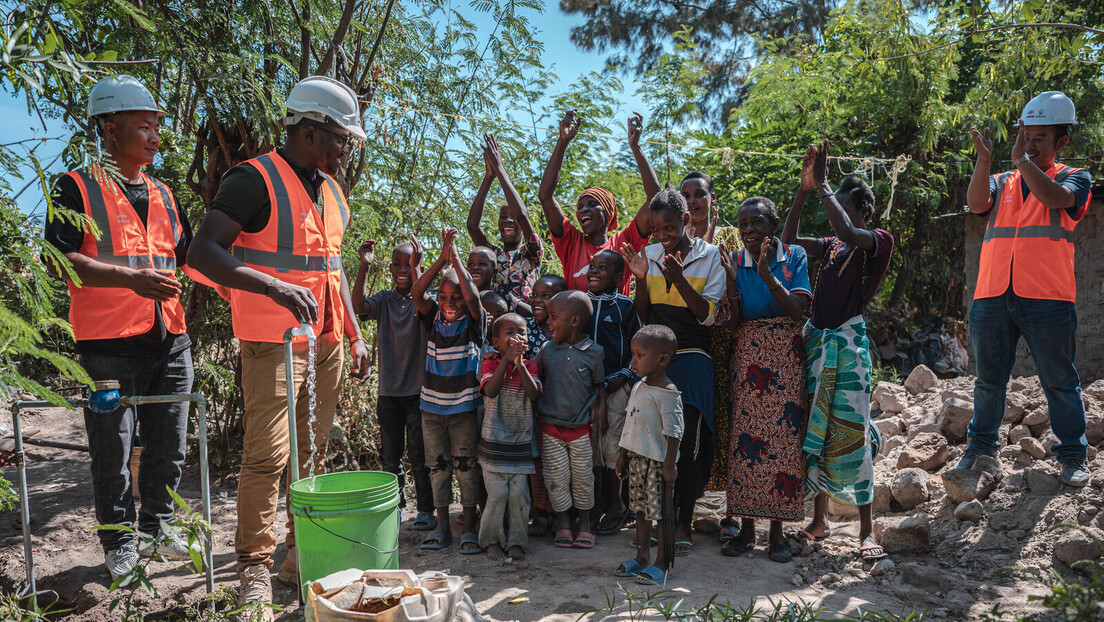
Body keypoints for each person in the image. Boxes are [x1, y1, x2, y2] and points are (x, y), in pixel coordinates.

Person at [186, 76, 370, 614]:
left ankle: (300, 557)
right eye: (339, 138)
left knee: (312, 453)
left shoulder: (333, 190)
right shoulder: (253, 180)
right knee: (267, 458)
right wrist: (273, 287)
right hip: (271, 342)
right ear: (309, 131)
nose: (343, 149)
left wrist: (355, 336)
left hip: (328, 342)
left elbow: (332, 270)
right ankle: (253, 571)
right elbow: (202, 252)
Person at [44, 75, 200, 580]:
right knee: (111, 448)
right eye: (144, 126)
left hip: (170, 340)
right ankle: (120, 541)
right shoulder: (75, 187)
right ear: (110, 130)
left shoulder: (163, 192)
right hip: (108, 345)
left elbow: (189, 259)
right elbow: (57, 261)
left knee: (170, 442)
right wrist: (131, 280)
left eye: (157, 127)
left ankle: (157, 528)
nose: (155, 137)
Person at [959, 91, 1092, 486]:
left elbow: (1054, 198)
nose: (1030, 145)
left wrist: (1021, 161)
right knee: (988, 380)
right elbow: (976, 203)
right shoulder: (1003, 180)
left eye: (1040, 139)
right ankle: (981, 448)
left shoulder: (1074, 177)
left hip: (1047, 297)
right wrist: (985, 161)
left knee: (1059, 380)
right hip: (993, 294)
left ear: (1061, 142)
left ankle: (1072, 455)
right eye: (1026, 136)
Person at [781, 141, 895, 562]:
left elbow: (847, 230)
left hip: (849, 349)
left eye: (841, 204)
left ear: (861, 208)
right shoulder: (831, 245)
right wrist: (804, 189)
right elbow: (788, 241)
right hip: (818, 345)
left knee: (853, 431)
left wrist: (824, 183)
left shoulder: (878, 240)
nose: (835, 212)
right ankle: (819, 519)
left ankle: (866, 530)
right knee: (818, 427)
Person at [621, 188, 725, 557]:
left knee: (688, 444)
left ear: (686, 221)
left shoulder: (709, 256)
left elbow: (708, 316)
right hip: (655, 357)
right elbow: (645, 316)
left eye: (669, 227)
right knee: (650, 440)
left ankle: (684, 520)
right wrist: (641, 278)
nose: (662, 235)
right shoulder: (649, 254)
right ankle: (657, 517)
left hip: (693, 354)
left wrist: (678, 277)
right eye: (656, 229)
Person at [714, 197, 811, 563]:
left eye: (756, 222)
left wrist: (767, 273)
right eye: (743, 223)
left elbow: (798, 310)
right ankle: (748, 530)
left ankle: (777, 534)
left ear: (773, 225)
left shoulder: (793, 257)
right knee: (746, 445)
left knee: (782, 444)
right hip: (749, 356)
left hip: (785, 358)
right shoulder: (735, 260)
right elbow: (735, 320)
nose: (748, 229)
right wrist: (732, 281)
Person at [352, 238, 436, 532]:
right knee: (391, 456)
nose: (404, 269)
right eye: (398, 264)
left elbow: (421, 298)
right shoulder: (385, 299)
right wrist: (364, 266)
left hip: (418, 392)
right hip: (388, 392)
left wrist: (419, 270)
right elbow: (359, 307)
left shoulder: (425, 299)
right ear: (389, 268)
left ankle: (425, 509)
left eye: (410, 264)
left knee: (419, 455)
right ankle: (398, 506)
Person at [411, 228, 487, 553]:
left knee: (467, 467)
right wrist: (441, 259)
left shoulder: (474, 322)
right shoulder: (432, 320)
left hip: (463, 410)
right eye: (443, 297)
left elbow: (473, 298)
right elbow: (417, 292)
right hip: (431, 410)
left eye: (454, 297)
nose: (449, 303)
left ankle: (469, 528)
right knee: (438, 468)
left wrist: (454, 258)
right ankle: (443, 527)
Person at [538, 111, 657, 295]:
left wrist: (636, 147)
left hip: (614, 323)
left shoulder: (625, 243)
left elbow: (654, 198)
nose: (583, 210)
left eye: (592, 204)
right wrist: (562, 142)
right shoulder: (570, 242)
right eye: (579, 207)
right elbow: (546, 196)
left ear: (607, 213)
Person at [535, 290, 607, 549]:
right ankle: (564, 523)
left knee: (583, 478)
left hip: (581, 427)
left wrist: (603, 409)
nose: (550, 323)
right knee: (556, 477)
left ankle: (585, 525)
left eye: (554, 317)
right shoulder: (546, 350)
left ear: (574, 321)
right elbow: (534, 374)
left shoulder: (594, 352)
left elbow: (599, 385)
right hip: (551, 426)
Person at [614, 325, 684, 586]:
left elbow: (675, 431)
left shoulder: (668, 393)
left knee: (663, 514)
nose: (633, 360)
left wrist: (669, 466)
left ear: (662, 360)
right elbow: (630, 423)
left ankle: (664, 565)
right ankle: (642, 557)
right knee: (641, 511)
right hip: (637, 460)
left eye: (640, 355)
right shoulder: (638, 386)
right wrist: (623, 455)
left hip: (658, 463)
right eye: (633, 354)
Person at [584, 249, 642, 535]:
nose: (593, 272)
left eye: (602, 268)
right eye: (592, 266)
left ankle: (617, 506)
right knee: (592, 450)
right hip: (586, 391)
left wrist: (624, 377)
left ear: (619, 277)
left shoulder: (624, 306)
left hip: (616, 388)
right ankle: (597, 506)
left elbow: (638, 346)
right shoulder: (580, 304)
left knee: (612, 448)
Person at [478, 313, 542, 561]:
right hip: (493, 443)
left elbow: (535, 395)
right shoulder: (489, 365)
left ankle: (516, 541)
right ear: (495, 342)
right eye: (509, 332)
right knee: (497, 496)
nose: (516, 336)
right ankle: (491, 540)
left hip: (520, 443)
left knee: (519, 496)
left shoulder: (532, 366)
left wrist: (520, 364)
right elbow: (490, 391)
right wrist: (506, 361)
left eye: (522, 332)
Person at [468, 132, 542, 313]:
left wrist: (500, 170)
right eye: (503, 217)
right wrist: (488, 177)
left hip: (524, 324)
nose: (508, 220)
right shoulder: (490, 255)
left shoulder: (531, 253)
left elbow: (522, 216)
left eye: (513, 217)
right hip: (494, 324)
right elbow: (472, 227)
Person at [522, 273, 566, 536]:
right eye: (535, 294)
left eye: (546, 296)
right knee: (536, 463)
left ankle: (559, 512)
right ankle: (539, 512)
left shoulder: (568, 330)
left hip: (562, 409)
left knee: (558, 463)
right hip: (531, 408)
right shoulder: (525, 327)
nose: (537, 300)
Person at [681, 171, 719, 243]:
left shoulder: (729, 235)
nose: (691, 201)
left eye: (699, 194)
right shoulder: (673, 240)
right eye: (685, 196)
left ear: (712, 198)